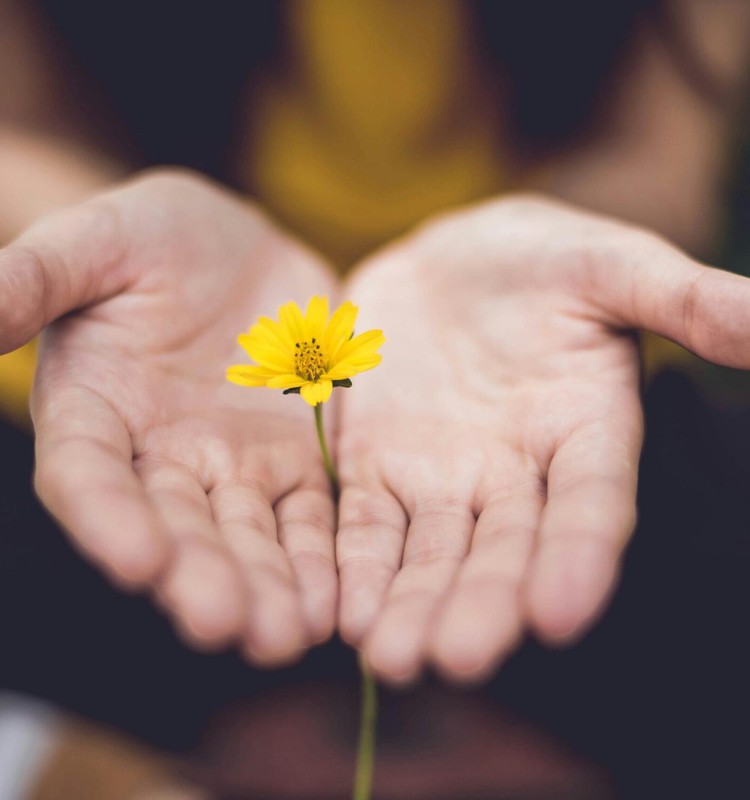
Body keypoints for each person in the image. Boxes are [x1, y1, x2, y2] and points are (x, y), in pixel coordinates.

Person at [1, 0, 750, 694]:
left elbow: (659, 152)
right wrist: (88, 225)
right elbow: (20, 126)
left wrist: (585, 241)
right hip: (152, 369)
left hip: (537, 375)